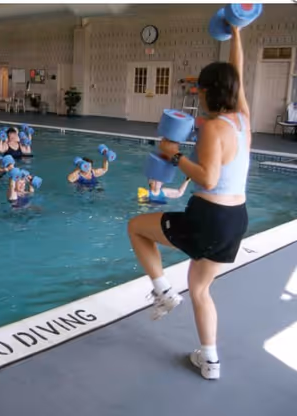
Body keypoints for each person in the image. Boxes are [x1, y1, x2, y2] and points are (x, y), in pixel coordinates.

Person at [127, 25, 250, 381]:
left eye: (199, 88)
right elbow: (237, 74)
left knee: (136, 228)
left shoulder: (214, 128)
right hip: (235, 220)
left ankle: (163, 292)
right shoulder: (243, 119)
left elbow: (207, 178)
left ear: (208, 91)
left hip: (209, 217)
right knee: (199, 289)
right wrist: (237, 34)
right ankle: (210, 361)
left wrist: (174, 154)